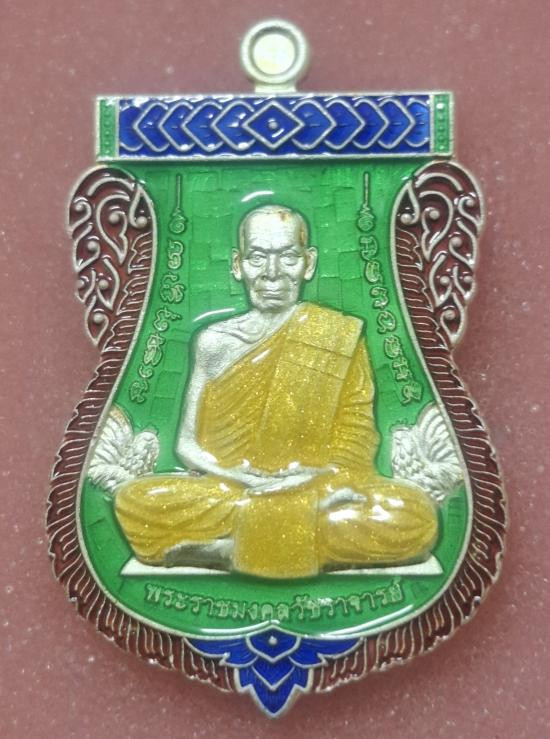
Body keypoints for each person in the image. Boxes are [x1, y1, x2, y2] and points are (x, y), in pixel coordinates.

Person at [115, 205, 437, 579]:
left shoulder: (336, 336)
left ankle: (233, 547)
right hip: (233, 489)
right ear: (238, 265)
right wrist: (243, 479)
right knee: (135, 502)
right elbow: (187, 446)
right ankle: (285, 533)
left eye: (287, 257)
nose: (272, 272)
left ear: (308, 263)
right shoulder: (213, 342)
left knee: (414, 515)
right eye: (257, 257)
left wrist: (318, 478)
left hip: (316, 487)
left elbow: (357, 440)